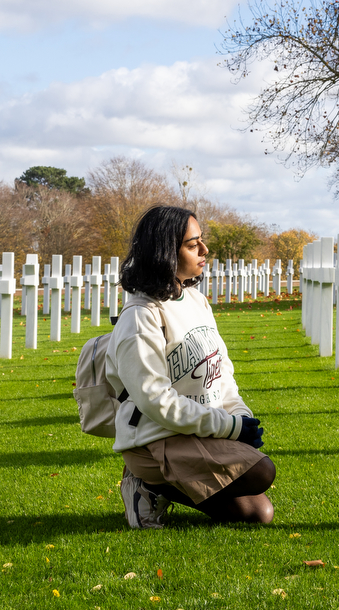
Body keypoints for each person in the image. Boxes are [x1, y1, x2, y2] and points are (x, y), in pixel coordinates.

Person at [107, 205, 275, 528]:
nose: (205, 250)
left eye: (201, 241)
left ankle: (165, 487)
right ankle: (147, 483)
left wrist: (240, 415)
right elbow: (157, 402)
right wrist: (230, 428)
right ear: (165, 252)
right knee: (263, 471)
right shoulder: (141, 316)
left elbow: (221, 371)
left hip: (198, 430)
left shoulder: (196, 301)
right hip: (156, 439)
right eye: (192, 244)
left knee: (258, 514)